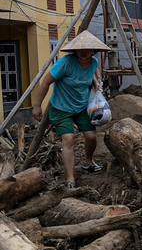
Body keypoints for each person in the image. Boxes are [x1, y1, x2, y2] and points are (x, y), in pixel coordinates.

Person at [31, 31, 107, 189]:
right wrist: (37, 106)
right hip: (61, 108)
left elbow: (93, 71)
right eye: (81, 49)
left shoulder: (93, 62)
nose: (84, 52)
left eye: (88, 49)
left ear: (94, 50)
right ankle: (70, 179)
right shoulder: (65, 63)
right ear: (75, 50)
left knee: (92, 137)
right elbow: (45, 83)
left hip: (81, 106)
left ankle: (88, 161)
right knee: (68, 139)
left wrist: (96, 81)